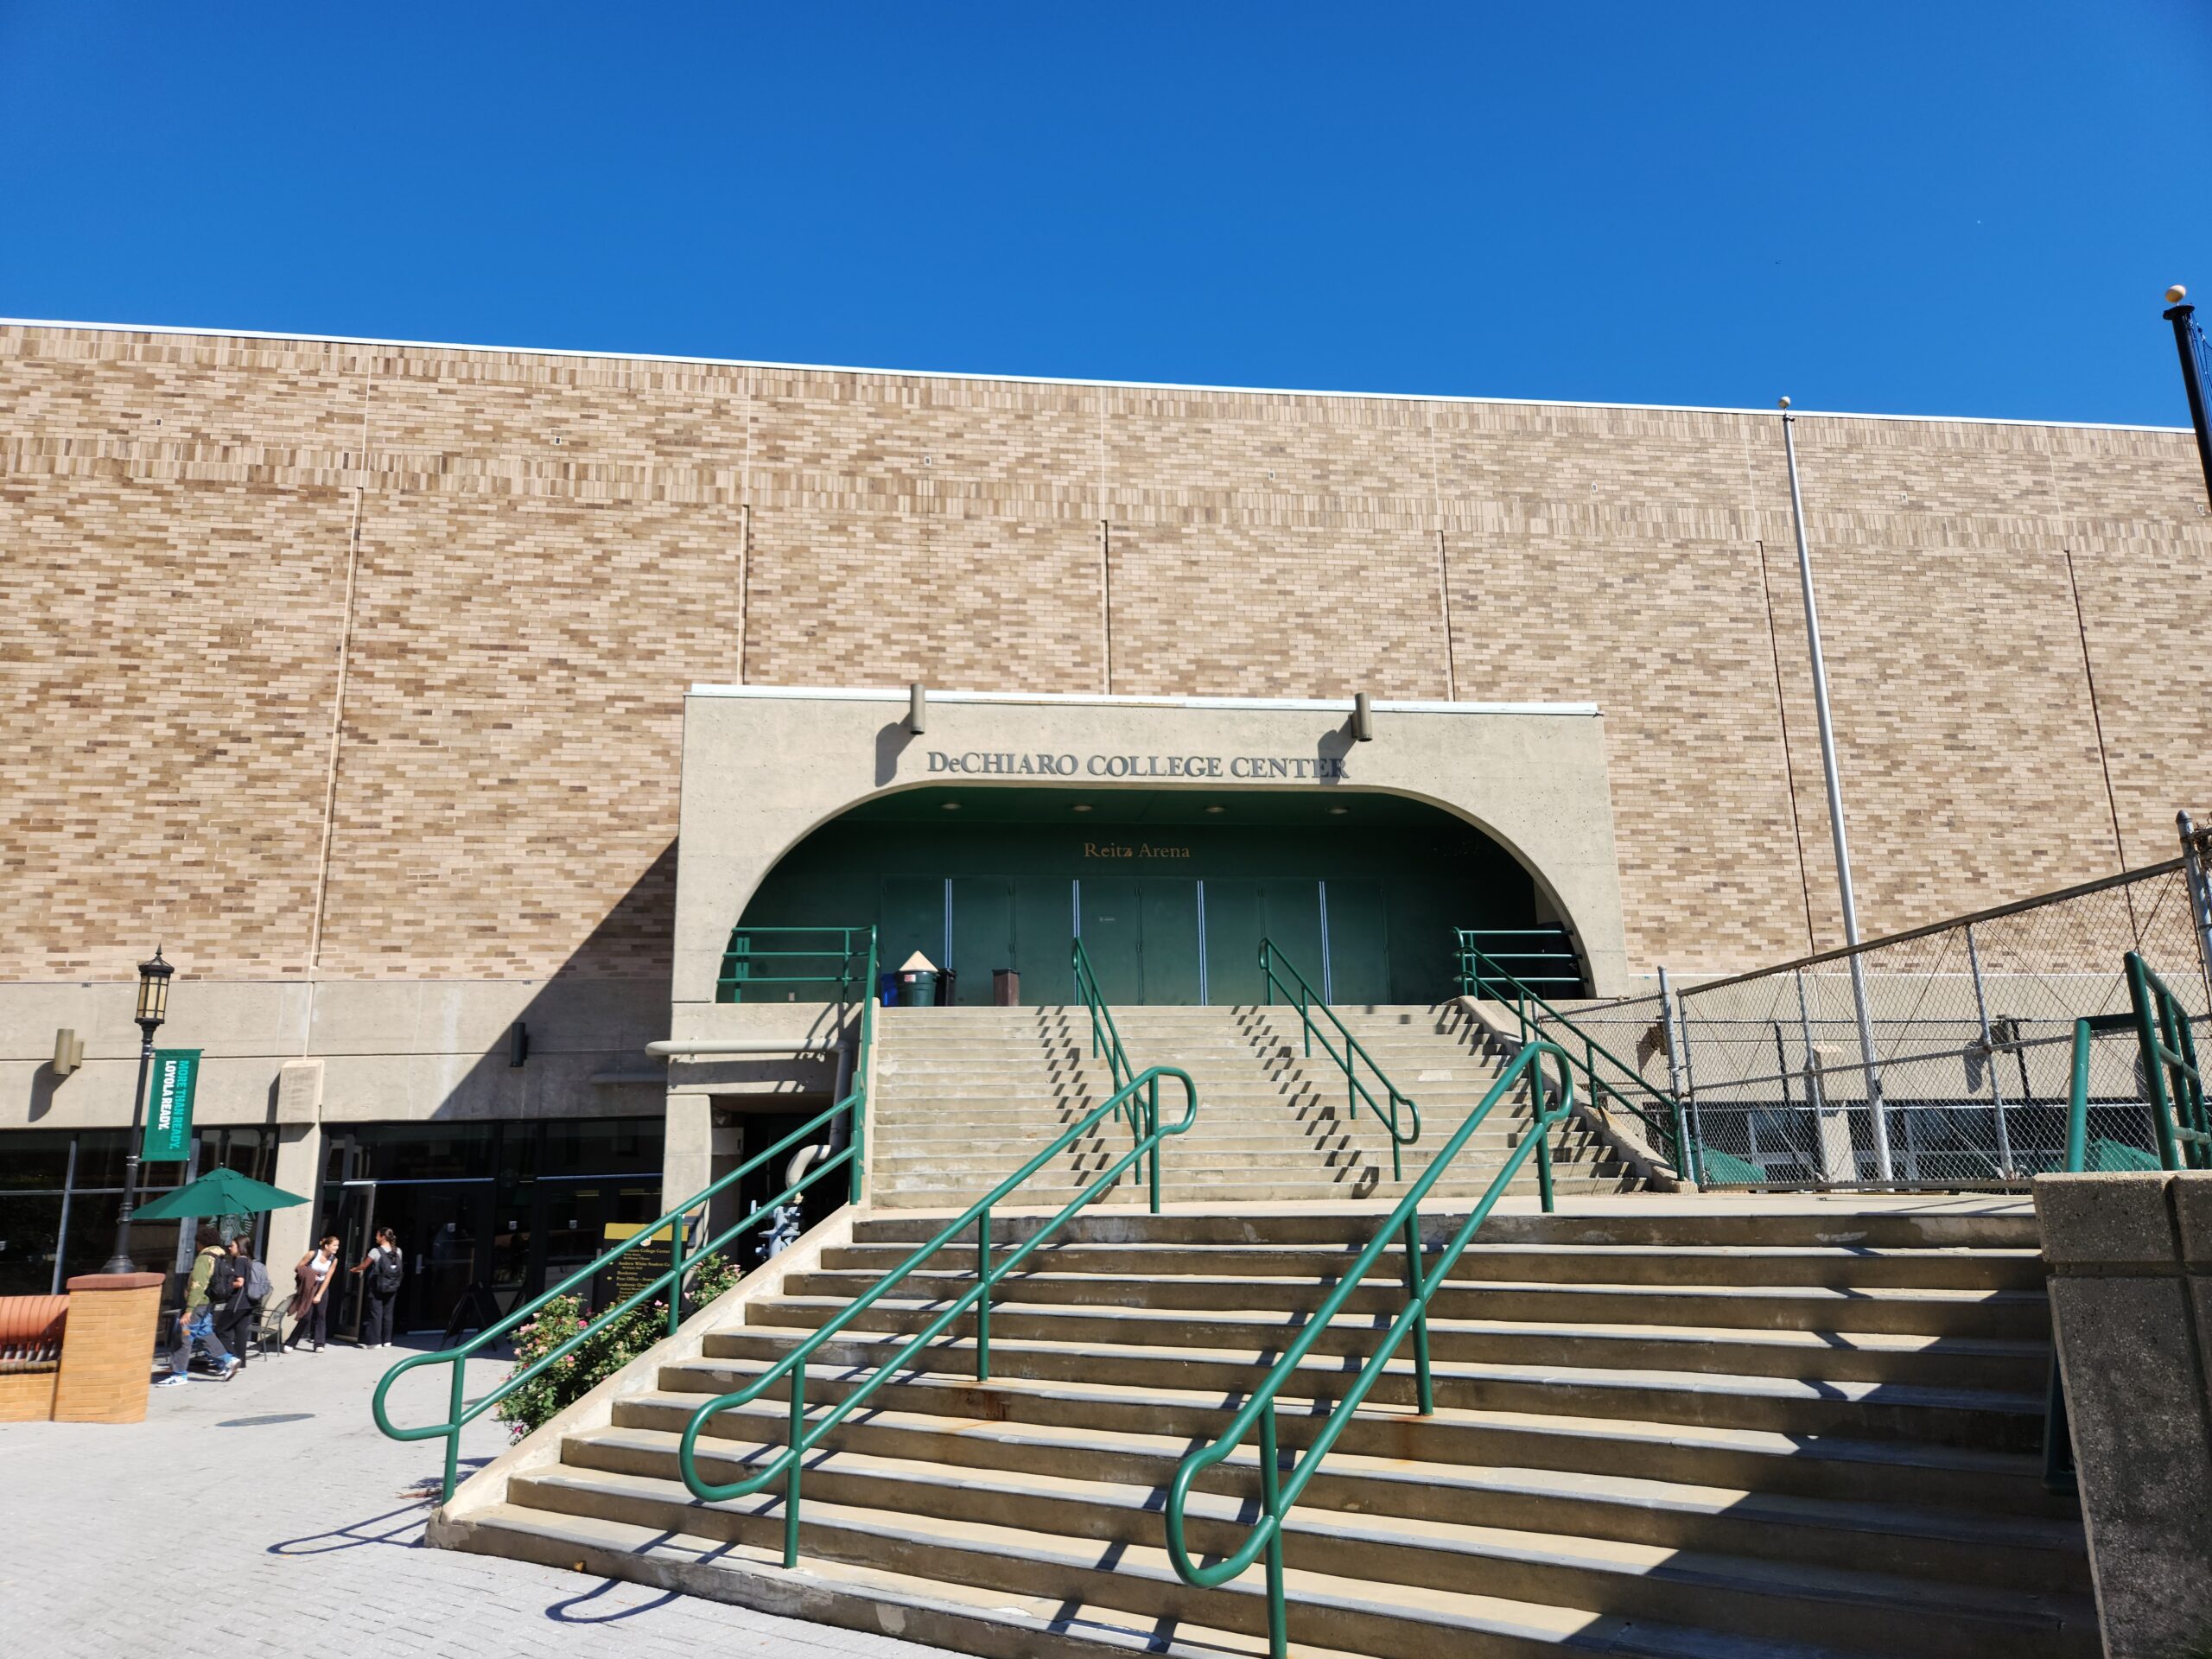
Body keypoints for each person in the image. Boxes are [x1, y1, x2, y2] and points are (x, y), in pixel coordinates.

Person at [159, 1223, 239, 1386]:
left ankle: (179, 1374)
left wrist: (189, 1310)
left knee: (183, 1336)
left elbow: (197, 1284)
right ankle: (228, 1360)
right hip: (207, 1304)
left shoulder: (204, 1259)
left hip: (197, 1305)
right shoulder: (218, 1257)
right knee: (204, 1332)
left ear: (201, 1242)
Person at [213, 1231, 268, 1367]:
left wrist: (225, 1285)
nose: (229, 1248)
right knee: (240, 1332)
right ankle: (241, 1363)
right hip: (248, 1303)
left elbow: (239, 1282)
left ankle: (233, 1358)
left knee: (220, 1330)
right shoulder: (248, 1261)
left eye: (232, 1246)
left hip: (237, 1302)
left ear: (240, 1247)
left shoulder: (239, 1261)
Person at [350, 1226, 403, 1349]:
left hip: (378, 1286)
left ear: (383, 1237)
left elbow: (364, 1266)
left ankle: (375, 1341)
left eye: (377, 1235)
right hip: (393, 1285)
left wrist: (354, 1269)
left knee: (376, 1313)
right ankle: (387, 1340)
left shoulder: (376, 1251)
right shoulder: (398, 1251)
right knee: (388, 1313)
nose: (376, 1237)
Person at [288, 1235, 339, 1351]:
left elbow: (328, 1278)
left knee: (321, 1315)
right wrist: (311, 1274)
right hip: (309, 1286)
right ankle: (291, 1343)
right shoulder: (313, 1254)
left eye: (337, 1245)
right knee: (306, 1315)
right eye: (334, 1245)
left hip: (322, 1286)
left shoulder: (334, 1260)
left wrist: (319, 1294)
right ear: (326, 1246)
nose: (337, 1248)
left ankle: (319, 1344)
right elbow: (298, 1268)